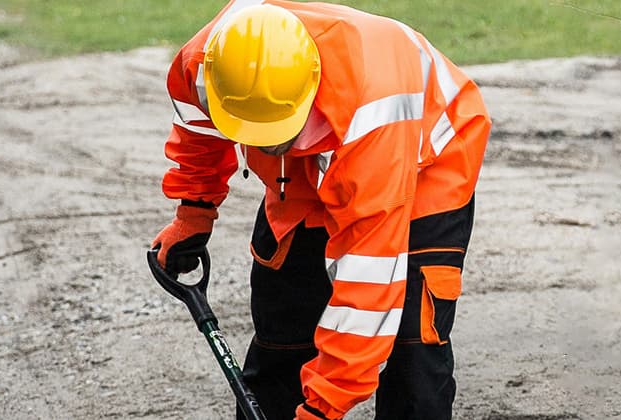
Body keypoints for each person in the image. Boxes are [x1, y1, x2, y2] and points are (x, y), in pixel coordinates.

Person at [149, 1, 490, 419]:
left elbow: (367, 291)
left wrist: (322, 409)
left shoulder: (374, 111)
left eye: (275, 132)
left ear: (309, 91)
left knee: (411, 346)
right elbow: (198, 127)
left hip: (426, 163)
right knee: (285, 322)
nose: (265, 145)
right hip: (310, 160)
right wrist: (194, 211)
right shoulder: (211, 61)